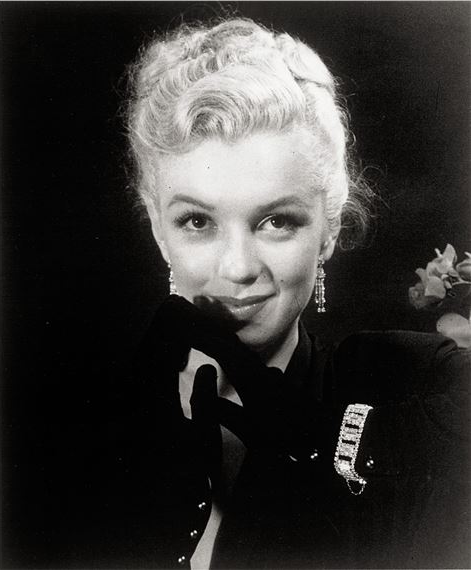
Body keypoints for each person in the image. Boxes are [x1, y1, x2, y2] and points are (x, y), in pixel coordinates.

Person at [27, 17, 469, 569]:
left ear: (328, 230)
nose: (237, 268)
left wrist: (315, 443)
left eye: (276, 222)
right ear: (158, 230)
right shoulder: (65, 429)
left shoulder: (405, 380)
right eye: (197, 222)